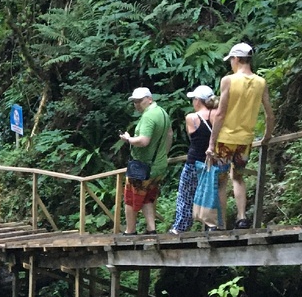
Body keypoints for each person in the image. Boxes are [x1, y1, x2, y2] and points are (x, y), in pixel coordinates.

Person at [206, 42, 275, 229]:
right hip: (246, 140)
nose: (230, 63)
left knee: (221, 182)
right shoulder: (261, 82)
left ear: (236, 59)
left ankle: (219, 224)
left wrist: (211, 143)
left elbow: (220, 114)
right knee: (238, 177)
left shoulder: (228, 80)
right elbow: (269, 113)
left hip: (225, 139)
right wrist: (267, 136)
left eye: (231, 60)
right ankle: (242, 218)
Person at [118, 88, 171, 235]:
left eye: (140, 101)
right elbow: (169, 134)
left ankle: (130, 231)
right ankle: (151, 228)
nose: (137, 104)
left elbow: (143, 141)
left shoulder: (148, 117)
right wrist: (163, 154)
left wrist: (128, 139)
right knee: (148, 197)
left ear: (149, 99)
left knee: (130, 198)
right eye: (134, 101)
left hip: (143, 167)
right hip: (158, 165)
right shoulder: (162, 113)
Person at [169, 86, 218, 233]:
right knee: (211, 192)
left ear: (198, 101)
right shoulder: (217, 114)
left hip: (194, 161)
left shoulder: (191, 118)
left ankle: (181, 227)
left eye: (193, 99)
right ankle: (213, 225)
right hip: (213, 161)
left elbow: (192, 137)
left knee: (186, 194)